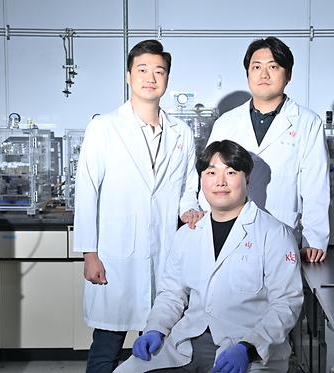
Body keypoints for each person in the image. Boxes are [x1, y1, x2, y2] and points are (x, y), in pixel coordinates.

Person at [115, 140, 304, 372]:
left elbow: (286, 304)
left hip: (245, 346)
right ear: (202, 180)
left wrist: (249, 348)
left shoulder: (275, 234)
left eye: (231, 172)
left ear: (247, 179)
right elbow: (172, 294)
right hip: (187, 340)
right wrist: (155, 328)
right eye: (211, 172)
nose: (220, 181)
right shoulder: (188, 234)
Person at [73, 39, 204, 373]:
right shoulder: (104, 127)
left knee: (159, 349)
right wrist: (89, 253)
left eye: (159, 71)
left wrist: (189, 208)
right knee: (106, 346)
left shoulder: (182, 133)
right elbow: (87, 191)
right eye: (142, 70)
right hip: (114, 256)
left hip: (164, 254)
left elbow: (189, 185)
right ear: (129, 76)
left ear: (167, 79)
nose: (151, 77)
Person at [202, 36, 330, 263]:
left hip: (283, 232)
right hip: (229, 231)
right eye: (256, 67)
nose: (264, 74)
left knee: (278, 295)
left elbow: (316, 186)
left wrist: (314, 241)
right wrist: (204, 221)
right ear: (248, 73)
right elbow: (210, 176)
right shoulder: (226, 122)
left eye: (273, 67)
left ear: (288, 74)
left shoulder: (307, 122)